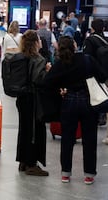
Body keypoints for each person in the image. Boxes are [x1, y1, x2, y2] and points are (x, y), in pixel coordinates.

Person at [41, 36, 106, 184]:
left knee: (67, 138)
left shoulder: (60, 64)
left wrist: (60, 90)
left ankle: (66, 173)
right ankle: (89, 174)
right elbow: (102, 76)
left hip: (69, 101)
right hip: (88, 101)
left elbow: (47, 83)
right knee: (89, 138)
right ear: (75, 46)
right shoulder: (87, 59)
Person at [15, 30, 50, 176]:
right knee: (35, 131)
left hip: (21, 97)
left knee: (24, 128)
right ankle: (31, 163)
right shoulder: (38, 59)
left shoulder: (21, 57)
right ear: (36, 43)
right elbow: (38, 80)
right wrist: (47, 71)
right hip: (34, 99)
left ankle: (23, 160)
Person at [83, 19, 108, 143]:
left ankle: (95, 119)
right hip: (106, 74)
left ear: (92, 28)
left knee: (94, 99)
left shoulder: (90, 40)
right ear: (103, 28)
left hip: (94, 76)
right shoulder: (106, 41)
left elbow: (86, 58)